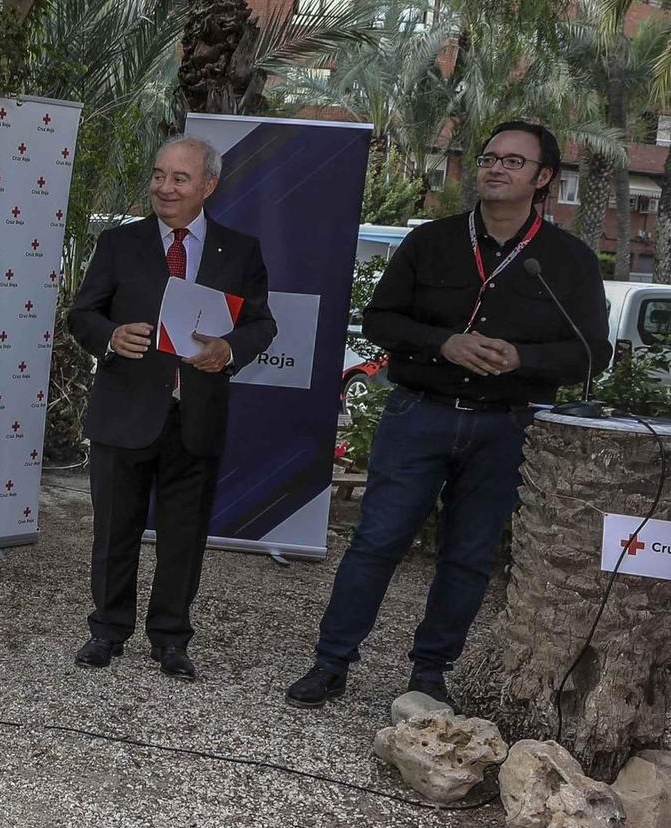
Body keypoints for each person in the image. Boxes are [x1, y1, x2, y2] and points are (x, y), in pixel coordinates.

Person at [285, 121, 612, 711]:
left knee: (468, 555)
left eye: (514, 162)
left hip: (508, 425)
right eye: (489, 157)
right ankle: (330, 662)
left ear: (543, 179)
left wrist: (524, 357)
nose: (496, 168)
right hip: (420, 413)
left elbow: (593, 354)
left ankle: (430, 672)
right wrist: (444, 343)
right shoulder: (430, 241)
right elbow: (381, 321)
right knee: (377, 540)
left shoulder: (569, 262)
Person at [67, 135, 276, 681]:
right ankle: (107, 631)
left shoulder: (241, 250)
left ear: (208, 185)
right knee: (114, 530)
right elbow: (82, 314)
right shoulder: (118, 244)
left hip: (196, 416)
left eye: (179, 178)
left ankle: (171, 639)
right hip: (125, 413)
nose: (164, 187)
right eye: (159, 175)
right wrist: (112, 336)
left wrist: (228, 349)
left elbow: (261, 323)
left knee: (185, 536)